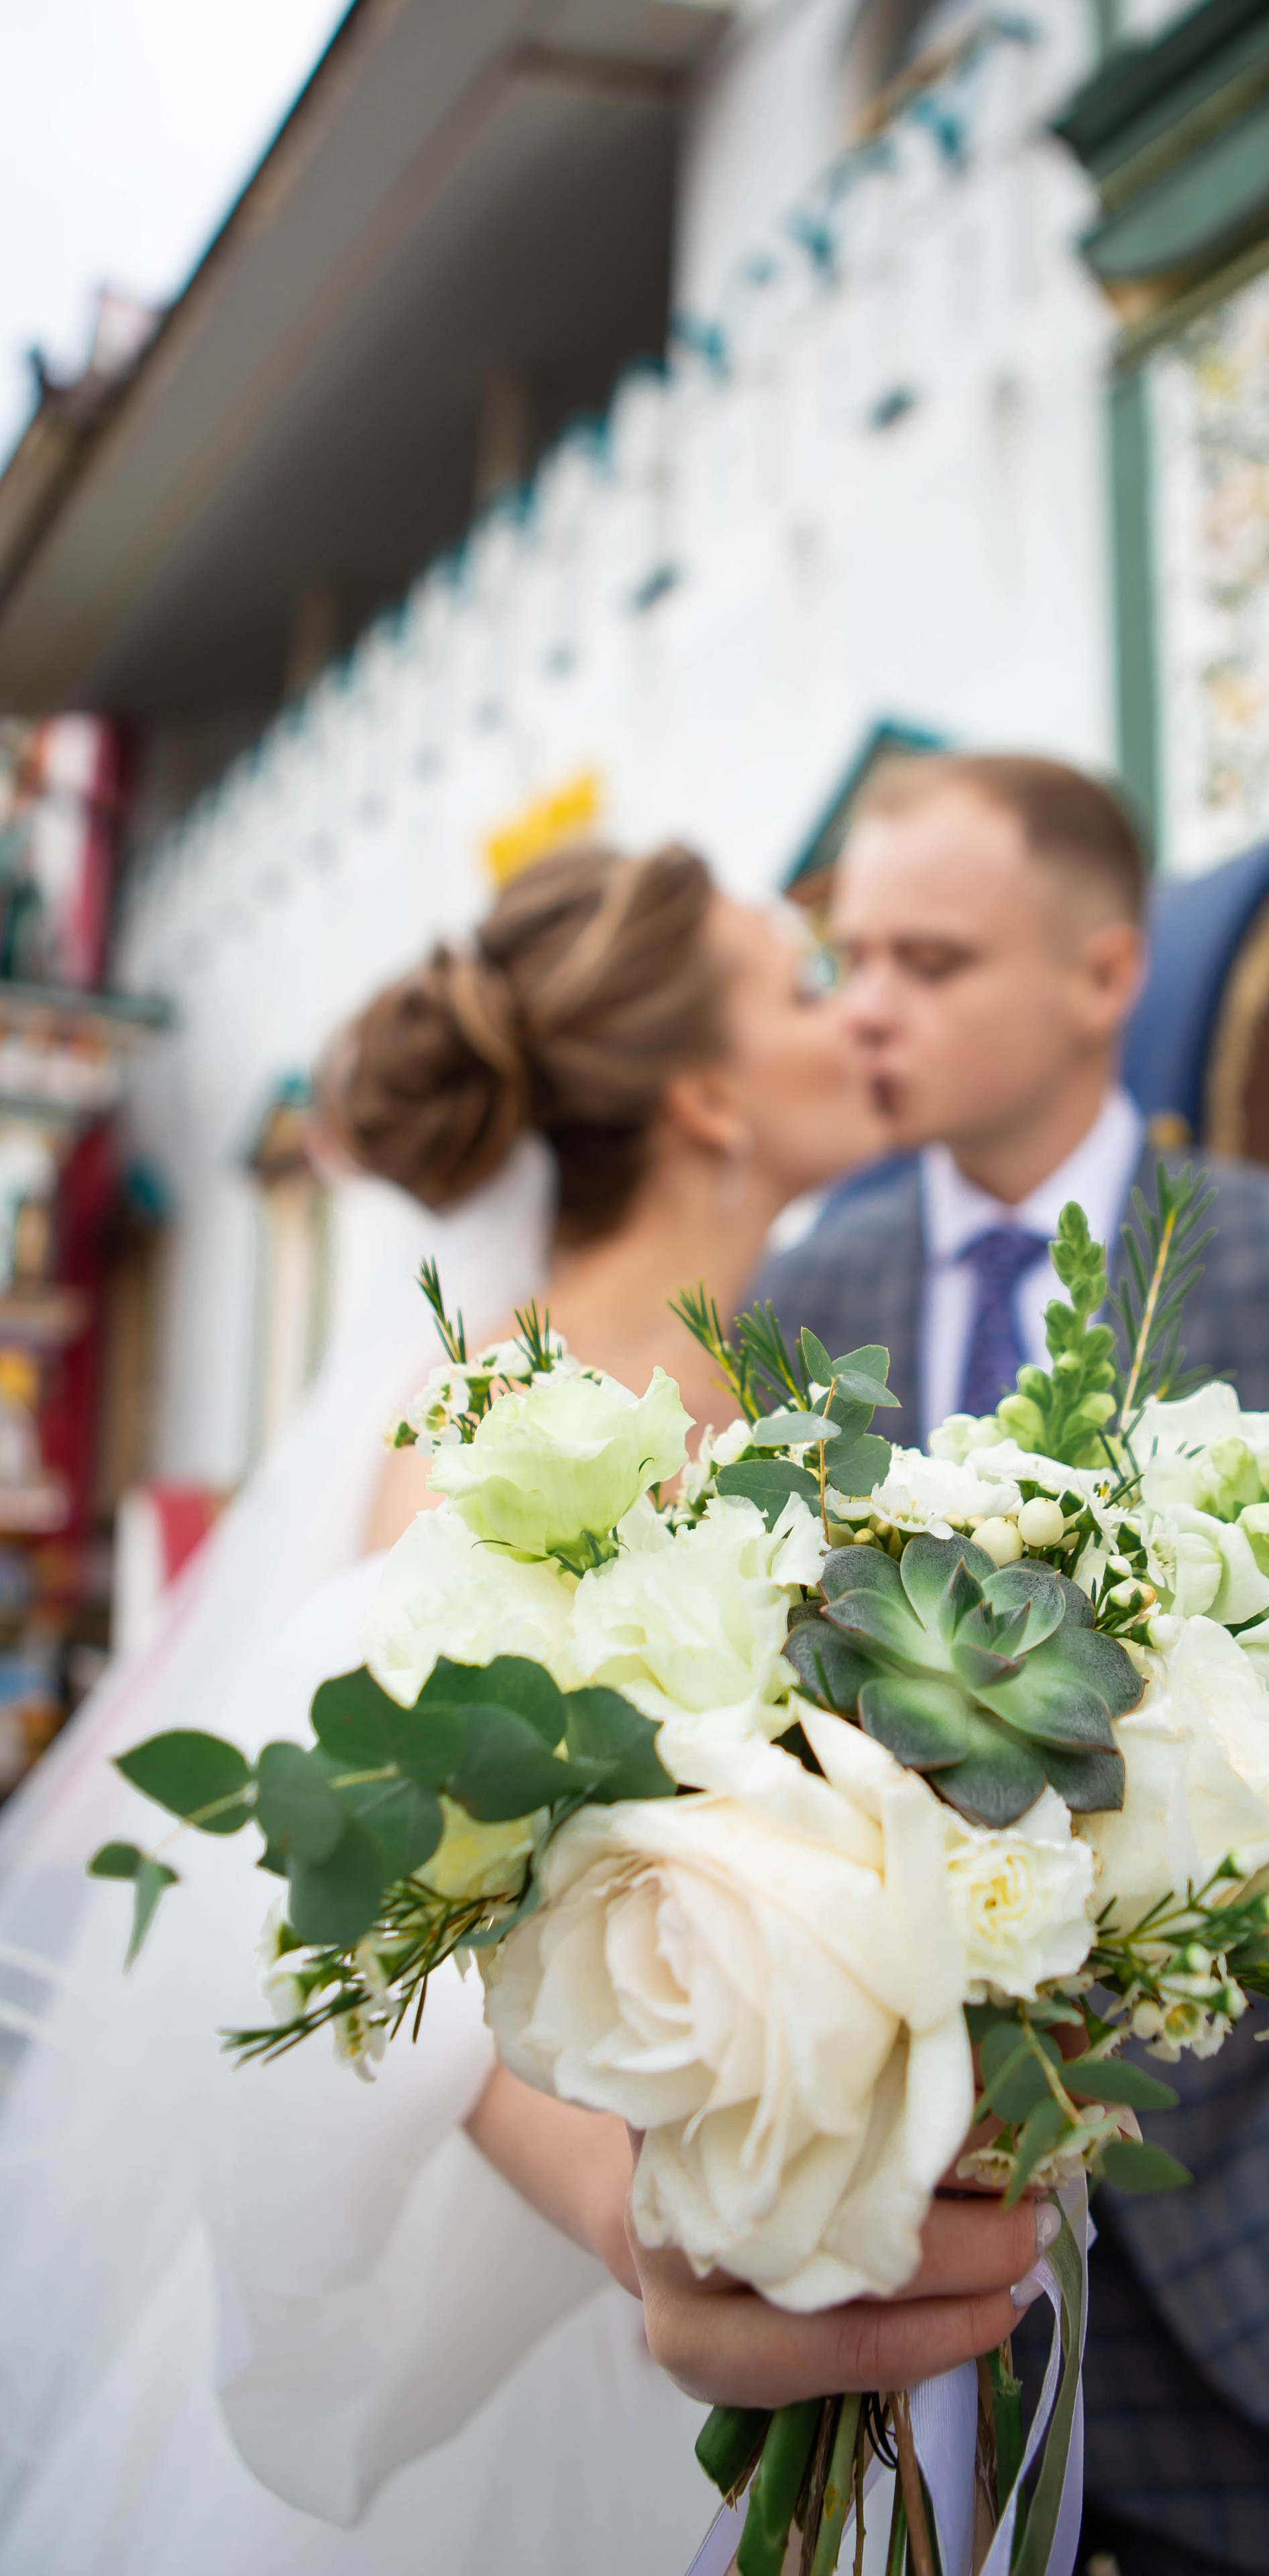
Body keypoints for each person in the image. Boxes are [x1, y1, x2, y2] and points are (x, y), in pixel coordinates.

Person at [0, 842, 1040, 2575]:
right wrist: (649, 2225)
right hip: (562, 2332)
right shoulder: (512, 1425)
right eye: (801, 983)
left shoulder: (764, 1382)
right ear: (707, 1098)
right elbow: (362, 1901)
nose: (856, 1008)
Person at [750, 753, 1269, 2576]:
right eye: (855, 960)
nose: (873, 1005)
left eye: (935, 959)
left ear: (1104, 976)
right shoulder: (806, 1296)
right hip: (899, 2302)